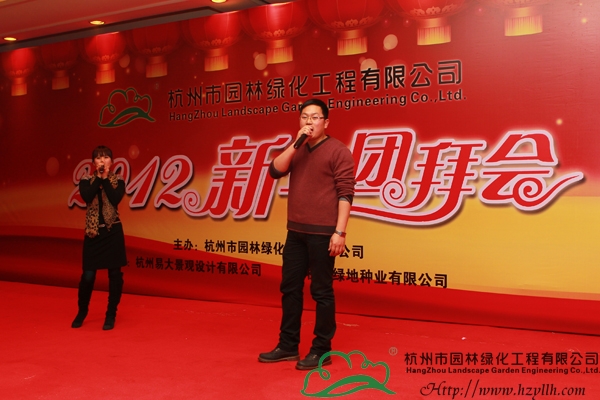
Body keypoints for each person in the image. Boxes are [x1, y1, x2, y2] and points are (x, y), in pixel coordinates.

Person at [258, 99, 356, 370]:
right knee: (289, 288)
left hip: (323, 233)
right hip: (295, 232)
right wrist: (296, 143)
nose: (309, 122)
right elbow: (274, 171)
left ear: (326, 122)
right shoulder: (297, 148)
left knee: (321, 292)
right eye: (304, 117)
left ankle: (321, 350)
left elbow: (346, 193)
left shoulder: (339, 151)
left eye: (314, 117)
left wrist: (340, 232)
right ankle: (288, 345)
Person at [71, 145, 127, 330]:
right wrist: (99, 178)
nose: (102, 160)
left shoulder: (118, 180)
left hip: (113, 233)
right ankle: (82, 311)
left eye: (105, 157)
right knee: (88, 275)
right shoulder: (86, 180)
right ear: (93, 162)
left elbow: (115, 198)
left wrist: (105, 178)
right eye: (98, 158)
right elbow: (87, 196)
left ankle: (111, 314)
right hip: (93, 233)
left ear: (112, 161)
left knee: (114, 275)